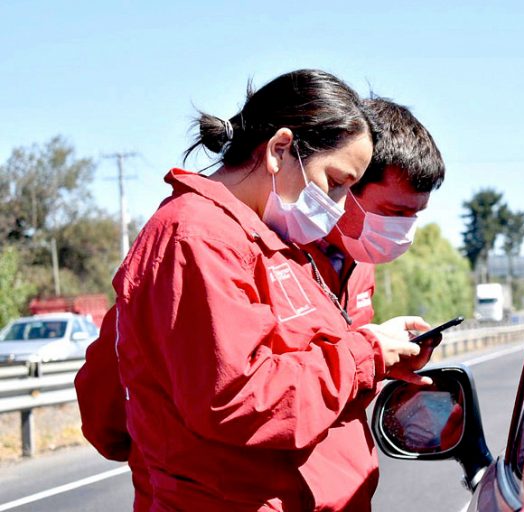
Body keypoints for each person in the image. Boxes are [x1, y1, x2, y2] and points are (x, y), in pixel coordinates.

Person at [77, 69, 436, 512]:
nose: (341, 205)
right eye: (337, 183)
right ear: (280, 150)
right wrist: (365, 354)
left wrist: (376, 353)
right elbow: (237, 397)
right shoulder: (196, 236)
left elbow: (296, 368)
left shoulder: (268, 241)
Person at [300, 96, 445, 329]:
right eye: (396, 211)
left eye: (416, 213)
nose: (405, 229)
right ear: (347, 182)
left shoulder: (362, 259)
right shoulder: (280, 251)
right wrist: (372, 349)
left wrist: (390, 359)